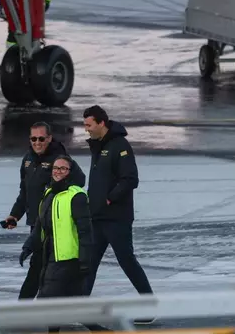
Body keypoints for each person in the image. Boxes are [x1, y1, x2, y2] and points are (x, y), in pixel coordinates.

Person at [81, 105, 154, 324]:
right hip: (98, 217)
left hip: (116, 218)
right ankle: (79, 308)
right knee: (89, 264)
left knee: (127, 261)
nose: (86, 129)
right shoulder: (98, 146)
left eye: (88, 125)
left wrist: (109, 198)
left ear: (101, 123)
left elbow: (131, 179)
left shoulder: (120, 146)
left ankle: (150, 306)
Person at [19, 155, 94, 332]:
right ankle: (102, 330)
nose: (58, 172)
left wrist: (85, 260)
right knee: (73, 303)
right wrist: (28, 247)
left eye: (62, 168)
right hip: (51, 255)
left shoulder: (76, 196)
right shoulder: (49, 193)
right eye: (55, 168)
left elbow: (85, 231)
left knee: (49, 300)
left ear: (70, 172)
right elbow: (40, 226)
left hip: (68, 259)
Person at [3, 122, 67, 300]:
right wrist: (14, 215)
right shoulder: (28, 160)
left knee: (42, 268)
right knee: (41, 268)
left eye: (41, 138)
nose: (37, 142)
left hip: (55, 225)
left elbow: (76, 183)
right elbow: (25, 192)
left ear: (49, 138)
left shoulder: (60, 160)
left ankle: (25, 308)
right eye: (33, 139)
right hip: (36, 224)